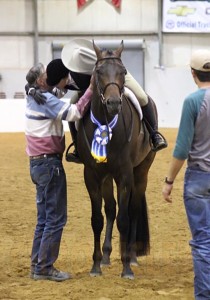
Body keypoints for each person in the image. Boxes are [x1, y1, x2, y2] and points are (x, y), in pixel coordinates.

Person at [25, 62, 93, 281]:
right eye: (45, 75)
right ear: (40, 81)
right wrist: (91, 88)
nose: (48, 77)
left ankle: (37, 263)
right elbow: (74, 112)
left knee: (44, 218)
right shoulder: (46, 100)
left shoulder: (34, 95)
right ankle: (44, 268)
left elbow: (57, 89)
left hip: (37, 164)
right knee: (56, 218)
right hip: (49, 164)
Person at [60, 38, 168, 162]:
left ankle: (154, 135)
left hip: (114, 72)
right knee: (73, 102)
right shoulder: (75, 67)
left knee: (142, 97)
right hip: (97, 81)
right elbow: (74, 84)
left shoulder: (95, 57)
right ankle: (77, 146)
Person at [162, 49, 210, 299]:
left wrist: (169, 181)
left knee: (203, 242)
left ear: (193, 74)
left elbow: (181, 148)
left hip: (199, 178)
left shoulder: (193, 102)